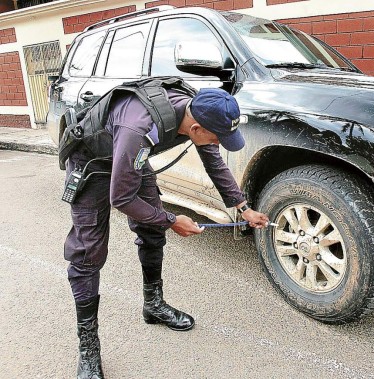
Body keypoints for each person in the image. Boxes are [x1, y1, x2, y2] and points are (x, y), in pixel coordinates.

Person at [64, 83, 269, 379]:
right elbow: (120, 198)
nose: (219, 143)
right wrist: (172, 219)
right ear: (196, 128)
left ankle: (153, 304)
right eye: (217, 137)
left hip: (131, 157)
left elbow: (213, 160)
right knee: (88, 253)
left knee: (151, 230)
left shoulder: (198, 110)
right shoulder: (140, 128)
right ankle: (88, 346)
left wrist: (242, 207)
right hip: (92, 163)